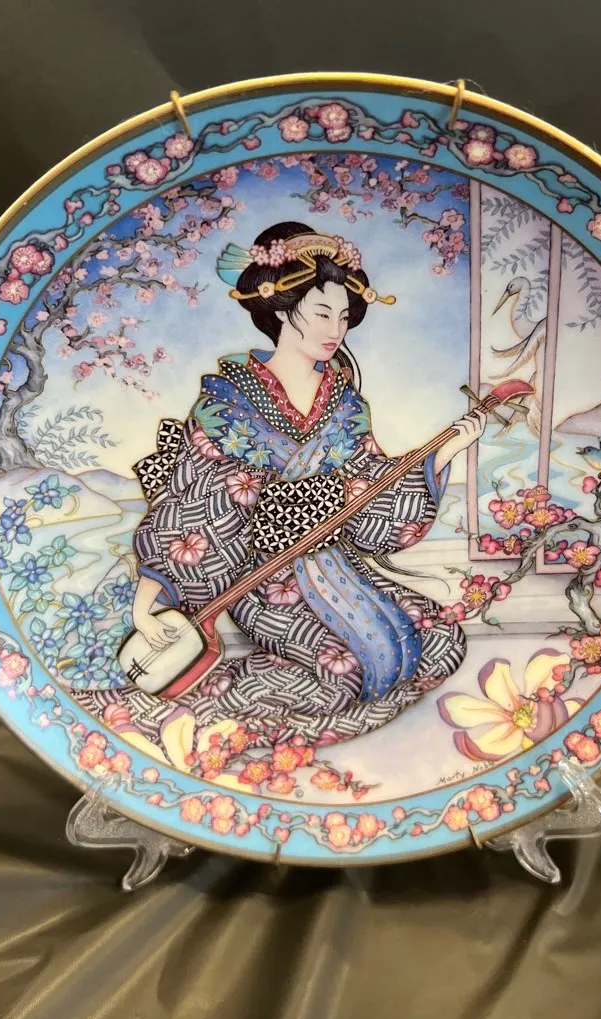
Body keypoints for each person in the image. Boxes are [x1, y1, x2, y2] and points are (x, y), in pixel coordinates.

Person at [85, 221, 489, 750]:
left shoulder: (345, 404)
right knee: (344, 673)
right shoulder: (226, 403)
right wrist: (146, 605)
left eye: (343, 316)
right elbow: (188, 508)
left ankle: (276, 696)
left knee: (440, 640)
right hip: (260, 579)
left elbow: (371, 491)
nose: (335, 329)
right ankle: (214, 702)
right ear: (280, 310)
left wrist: (444, 454)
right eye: (321, 313)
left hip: (337, 567)